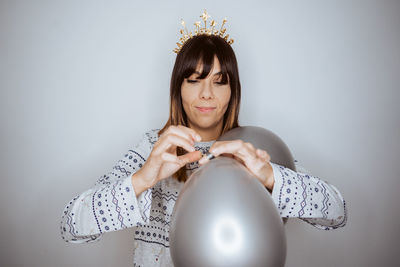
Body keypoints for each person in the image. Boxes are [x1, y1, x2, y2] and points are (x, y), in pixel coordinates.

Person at [60, 10, 347, 266]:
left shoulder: (254, 149)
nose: (206, 94)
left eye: (220, 81)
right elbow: (71, 225)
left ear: (233, 90)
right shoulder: (153, 148)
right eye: (194, 80)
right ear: (178, 89)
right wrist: (144, 178)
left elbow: (336, 213)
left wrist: (271, 176)